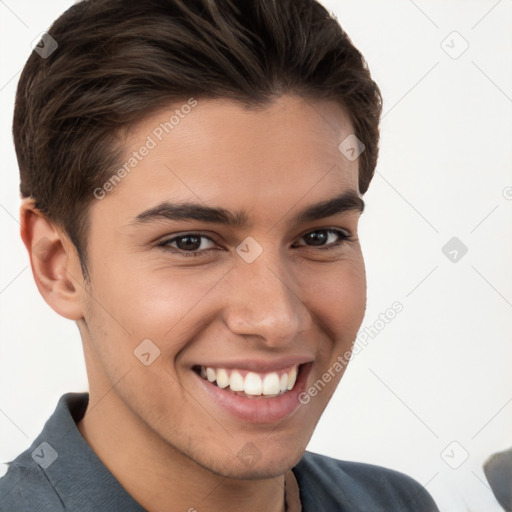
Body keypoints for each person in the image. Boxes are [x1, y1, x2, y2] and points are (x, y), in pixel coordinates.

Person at [0, 0, 439, 510]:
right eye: (191, 243)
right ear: (58, 265)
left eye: (320, 237)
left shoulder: (393, 502)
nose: (277, 319)